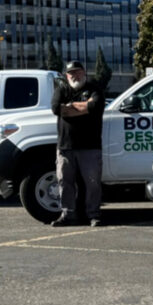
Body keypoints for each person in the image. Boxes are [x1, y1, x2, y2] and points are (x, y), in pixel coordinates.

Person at [50, 61, 105, 227]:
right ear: (67, 76)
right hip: (65, 146)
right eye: (71, 73)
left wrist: (70, 107)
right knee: (64, 182)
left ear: (84, 73)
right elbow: (56, 109)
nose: (75, 75)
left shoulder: (94, 89)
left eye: (78, 72)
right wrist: (84, 107)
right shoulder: (61, 90)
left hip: (90, 146)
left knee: (92, 183)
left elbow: (95, 106)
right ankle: (68, 214)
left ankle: (93, 215)